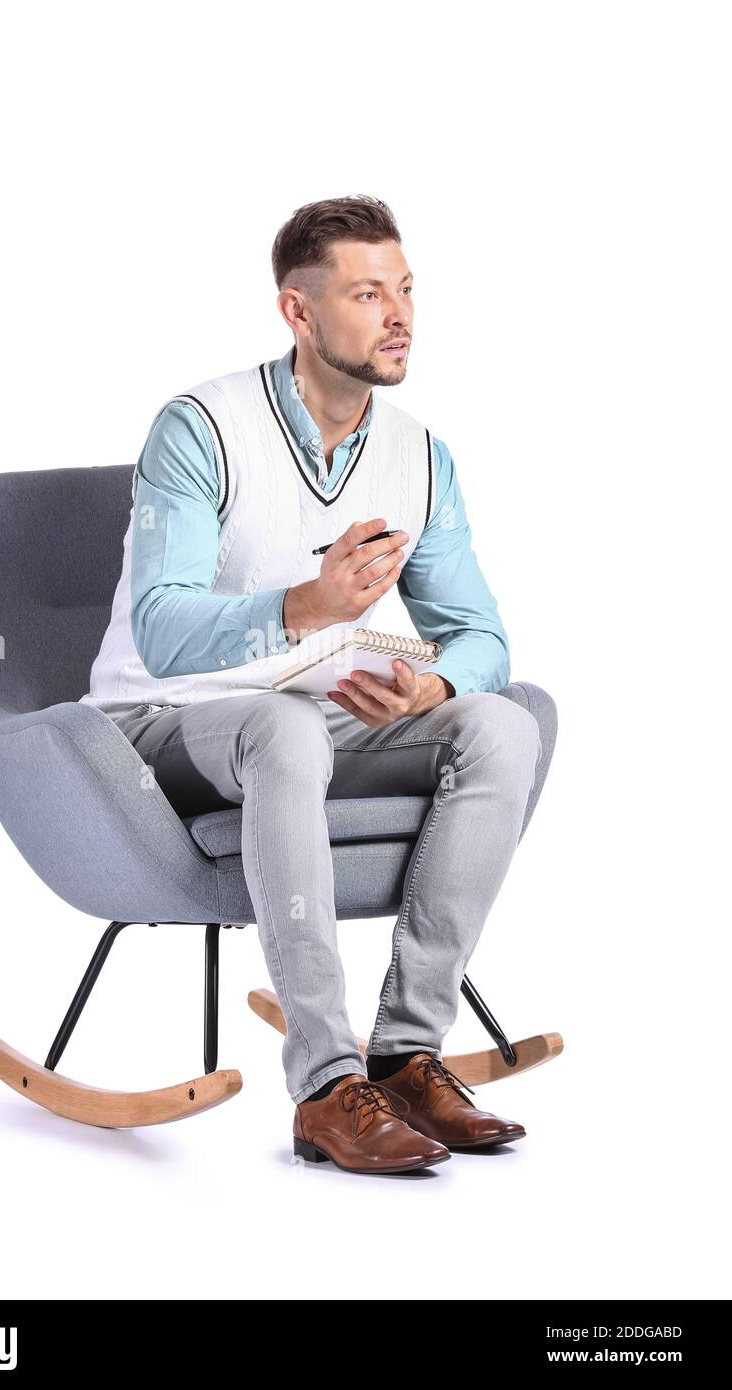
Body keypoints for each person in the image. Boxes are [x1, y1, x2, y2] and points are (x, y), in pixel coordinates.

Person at [80, 194, 557, 1175]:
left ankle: (404, 1050)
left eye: (406, 290)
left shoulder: (418, 456)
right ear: (297, 313)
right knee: (283, 730)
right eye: (368, 293)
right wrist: (305, 602)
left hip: (311, 716)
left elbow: (475, 638)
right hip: (165, 722)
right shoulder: (198, 428)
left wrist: (427, 690)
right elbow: (163, 633)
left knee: (501, 727)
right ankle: (325, 1083)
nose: (400, 316)